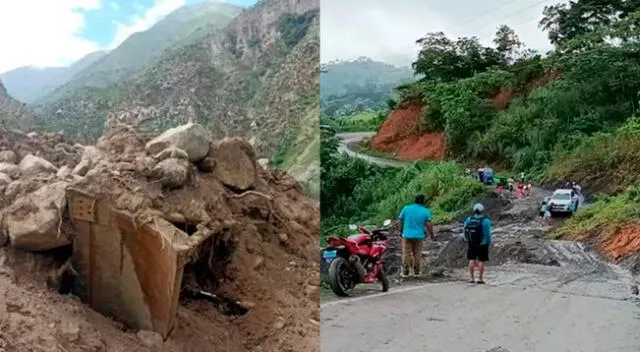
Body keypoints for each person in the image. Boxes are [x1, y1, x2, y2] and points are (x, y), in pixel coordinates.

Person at [398, 194, 434, 278]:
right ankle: (416, 272)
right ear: (423, 201)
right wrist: (431, 234)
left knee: (406, 253)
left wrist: (400, 231)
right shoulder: (426, 211)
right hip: (419, 236)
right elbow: (428, 224)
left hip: (406, 235)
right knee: (417, 254)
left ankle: (405, 271)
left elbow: (400, 221)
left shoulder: (406, 208)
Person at [464, 203, 492, 284]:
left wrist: (467, 240)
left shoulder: (468, 219)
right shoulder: (486, 220)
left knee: (471, 260)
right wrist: (488, 242)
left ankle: (471, 278)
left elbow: (465, 230)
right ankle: (480, 278)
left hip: (471, 242)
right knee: (481, 260)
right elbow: (487, 233)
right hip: (482, 243)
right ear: (482, 210)